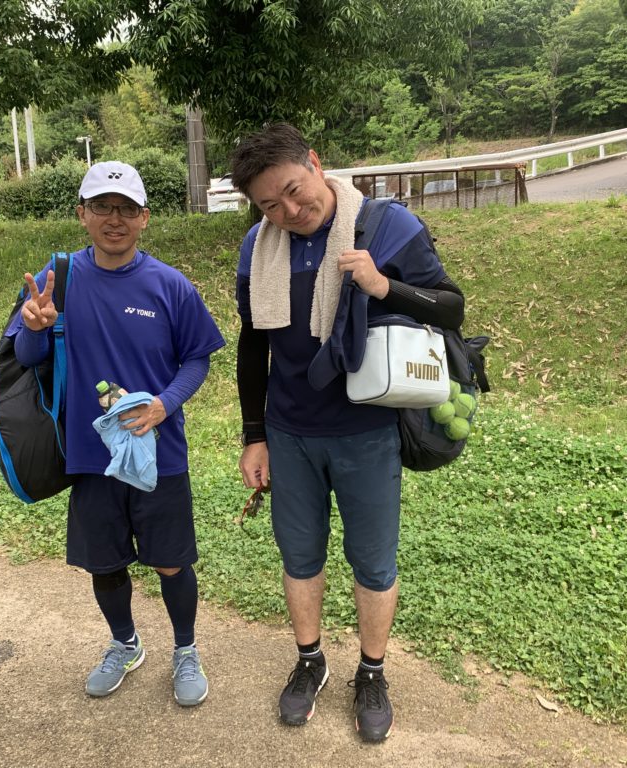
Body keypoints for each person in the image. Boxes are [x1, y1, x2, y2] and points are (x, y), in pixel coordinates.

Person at [230, 124, 464, 742]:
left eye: (293, 190)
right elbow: (253, 345)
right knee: (299, 556)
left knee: (374, 562)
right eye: (268, 205)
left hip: (368, 430)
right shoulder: (258, 247)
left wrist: (384, 286)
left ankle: (372, 671)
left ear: (315, 162)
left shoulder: (387, 226)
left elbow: (451, 306)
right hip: (289, 432)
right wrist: (254, 434)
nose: (289, 211)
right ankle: (310, 661)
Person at [10, 161, 225, 706]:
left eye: (127, 208)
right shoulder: (59, 276)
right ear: (81, 214)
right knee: (103, 562)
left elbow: (198, 358)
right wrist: (34, 328)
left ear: (144, 218)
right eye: (102, 207)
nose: (115, 218)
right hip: (90, 453)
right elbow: (27, 356)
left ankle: (185, 649)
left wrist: (164, 404)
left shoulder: (170, 285)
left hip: (158, 452)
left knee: (171, 560)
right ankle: (125, 643)